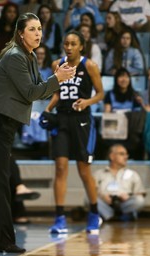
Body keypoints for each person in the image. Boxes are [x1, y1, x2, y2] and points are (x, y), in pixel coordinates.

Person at [0, 13, 76, 253]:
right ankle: (3, 239)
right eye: (32, 29)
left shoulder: (29, 57)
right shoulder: (15, 57)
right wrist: (57, 78)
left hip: (5, 124)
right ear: (20, 33)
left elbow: (41, 91)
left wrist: (58, 76)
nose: (38, 33)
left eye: (39, 29)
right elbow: (30, 93)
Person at [43, 30, 104, 235]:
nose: (68, 47)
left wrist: (87, 101)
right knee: (60, 167)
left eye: (73, 44)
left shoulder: (90, 66)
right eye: (66, 43)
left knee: (83, 170)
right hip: (61, 119)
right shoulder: (56, 65)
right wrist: (47, 110)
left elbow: (101, 93)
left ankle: (94, 214)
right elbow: (57, 94)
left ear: (81, 47)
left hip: (82, 121)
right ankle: (60, 218)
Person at [93, 144, 146, 221]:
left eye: (126, 154)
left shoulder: (132, 174)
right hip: (105, 203)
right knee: (89, 199)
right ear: (112, 156)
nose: (126, 157)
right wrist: (102, 196)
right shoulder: (99, 174)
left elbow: (140, 193)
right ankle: (110, 216)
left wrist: (128, 196)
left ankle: (117, 215)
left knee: (139, 200)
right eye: (122, 154)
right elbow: (92, 191)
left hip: (124, 204)